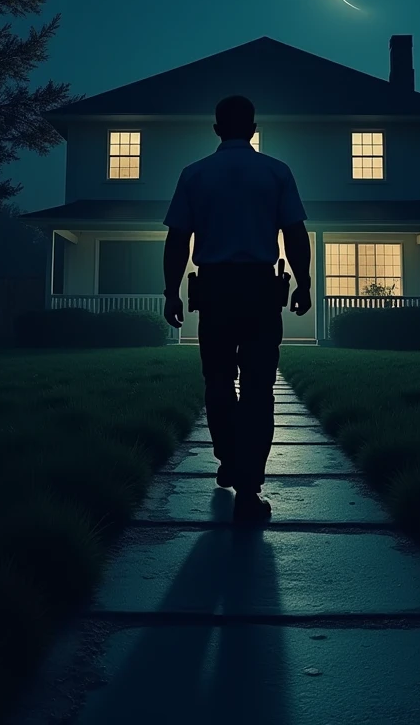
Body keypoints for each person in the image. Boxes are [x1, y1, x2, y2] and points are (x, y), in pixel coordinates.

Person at [162, 95, 312, 523]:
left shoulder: (194, 175)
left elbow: (178, 240)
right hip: (261, 289)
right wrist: (302, 283)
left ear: (216, 129)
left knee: (219, 380)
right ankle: (249, 487)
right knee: (259, 388)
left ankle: (228, 458)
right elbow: (294, 233)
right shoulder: (276, 172)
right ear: (252, 127)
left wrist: (172, 291)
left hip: (214, 289)